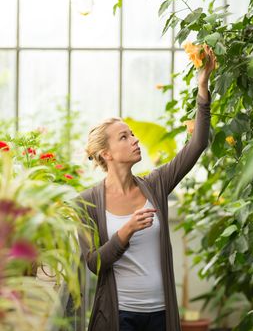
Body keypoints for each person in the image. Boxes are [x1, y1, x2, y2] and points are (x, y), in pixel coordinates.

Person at [74, 45, 216, 331]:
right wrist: (125, 231)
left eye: (133, 134)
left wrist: (203, 85)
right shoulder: (87, 202)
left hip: (160, 316)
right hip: (120, 316)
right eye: (124, 137)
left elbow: (197, 144)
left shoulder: (155, 184)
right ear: (106, 154)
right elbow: (94, 264)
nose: (135, 140)